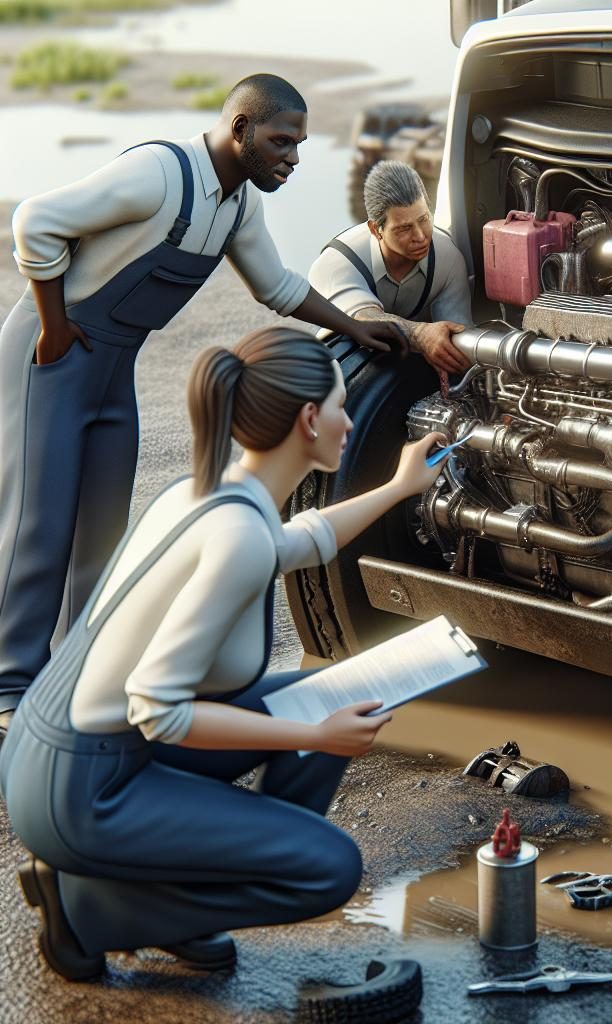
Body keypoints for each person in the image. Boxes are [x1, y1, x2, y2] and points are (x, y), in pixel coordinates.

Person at [0, 325, 447, 982]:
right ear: (306, 420)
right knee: (330, 867)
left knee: (329, 695)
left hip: (62, 748)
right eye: (339, 405)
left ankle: (189, 908)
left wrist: (401, 486)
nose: (349, 421)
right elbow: (159, 710)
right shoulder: (237, 536)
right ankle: (88, 909)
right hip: (81, 787)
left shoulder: (210, 494)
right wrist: (312, 736)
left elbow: (304, 539)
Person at [0, 74, 402, 739]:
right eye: (281, 142)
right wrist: (53, 330)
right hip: (53, 352)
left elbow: (274, 284)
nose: (293, 159)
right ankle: (11, 686)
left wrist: (358, 327)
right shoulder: (160, 173)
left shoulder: (238, 206)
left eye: (300, 146)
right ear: (240, 129)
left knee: (100, 523)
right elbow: (36, 222)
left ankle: (74, 674)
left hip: (113, 363)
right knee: (38, 521)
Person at [308, 159, 472, 376]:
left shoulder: (447, 257)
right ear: (376, 230)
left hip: (414, 372)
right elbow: (365, 320)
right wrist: (421, 334)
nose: (420, 236)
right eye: (404, 228)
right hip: (343, 372)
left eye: (424, 219)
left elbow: (458, 337)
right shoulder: (337, 262)